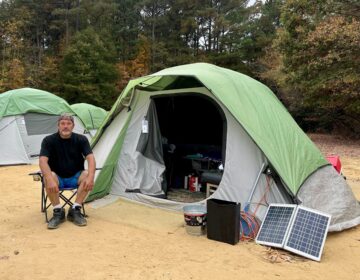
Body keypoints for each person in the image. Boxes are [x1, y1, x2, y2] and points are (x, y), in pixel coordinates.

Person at [39, 113, 96, 229]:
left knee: (86, 174)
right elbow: (42, 161)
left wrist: (91, 177)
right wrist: (49, 179)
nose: (66, 126)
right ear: (58, 126)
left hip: (75, 177)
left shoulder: (81, 139)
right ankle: (58, 211)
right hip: (57, 179)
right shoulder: (48, 140)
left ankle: (75, 209)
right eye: (63, 124)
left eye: (68, 124)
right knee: (48, 176)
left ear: (73, 126)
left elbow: (91, 158)